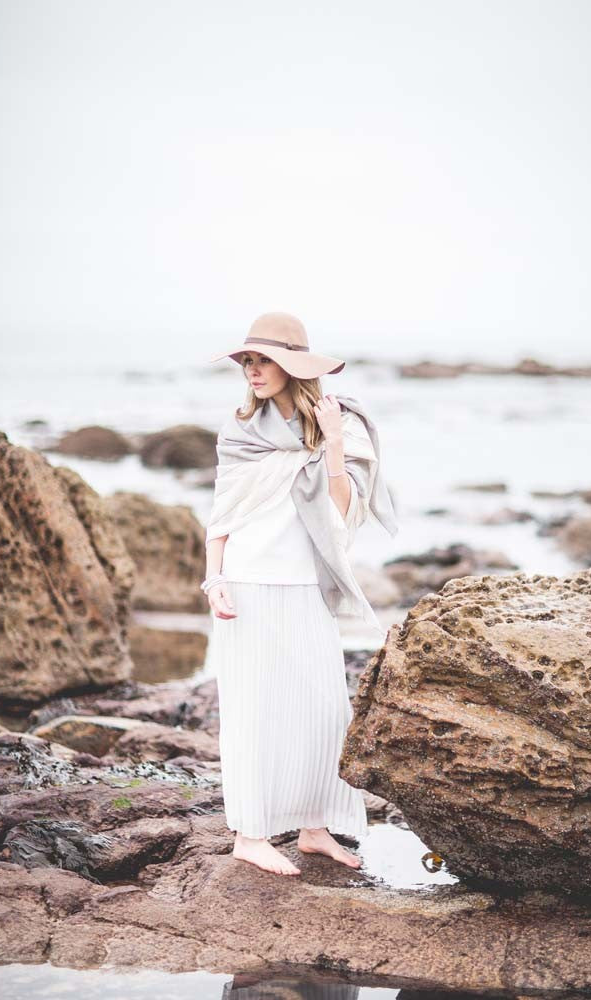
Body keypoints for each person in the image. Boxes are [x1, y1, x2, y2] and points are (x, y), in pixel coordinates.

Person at [203, 312, 398, 876]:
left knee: (322, 709)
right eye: (247, 361)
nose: (252, 370)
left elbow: (341, 512)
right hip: (245, 583)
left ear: (292, 365)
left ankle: (315, 829)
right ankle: (250, 833)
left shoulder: (338, 423)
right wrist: (213, 579)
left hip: (303, 585)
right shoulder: (239, 433)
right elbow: (221, 516)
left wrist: (332, 444)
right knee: (253, 711)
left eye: (263, 360)